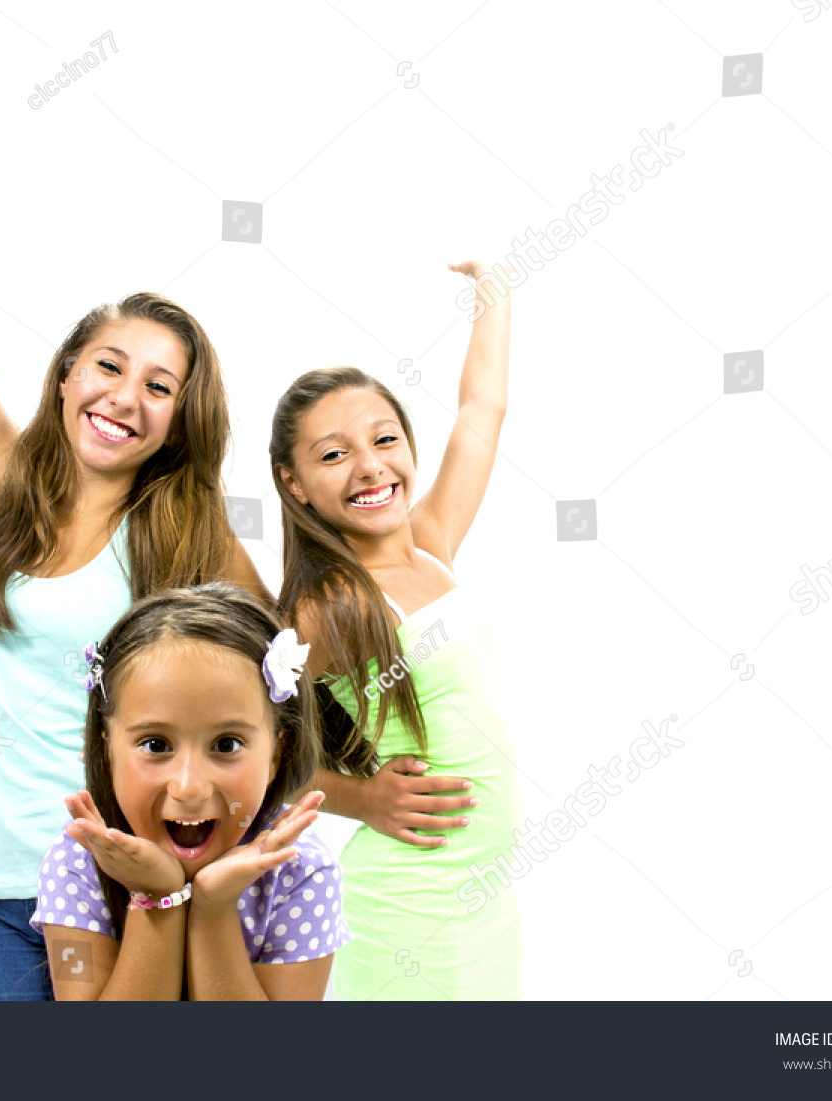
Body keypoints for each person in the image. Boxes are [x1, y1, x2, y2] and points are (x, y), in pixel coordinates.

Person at [0, 53, 269, 1001]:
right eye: (108, 366)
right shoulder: (5, 484)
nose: (124, 397)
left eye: (159, 386)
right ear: (67, 374)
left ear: (180, 419)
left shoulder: (187, 540)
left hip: (126, 883)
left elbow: (287, 684)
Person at [270, 260, 520, 999]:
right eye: (333, 454)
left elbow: (483, 410)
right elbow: (256, 755)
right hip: (414, 907)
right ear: (295, 483)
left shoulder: (432, 543)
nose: (369, 466)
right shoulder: (332, 605)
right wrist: (362, 798)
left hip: (486, 903)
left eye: (383, 439)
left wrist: (495, 289)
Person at [30, 583, 351, 1000]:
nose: (188, 786)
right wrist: (157, 897)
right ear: (106, 749)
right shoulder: (79, 862)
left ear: (278, 752)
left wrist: (214, 911)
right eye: (156, 745)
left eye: (226, 745)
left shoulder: (298, 869)